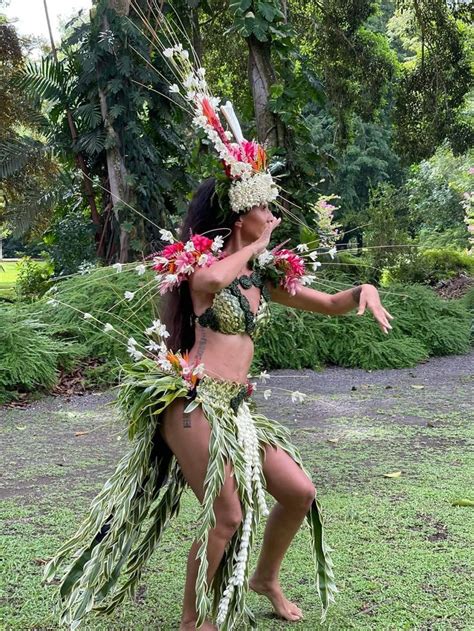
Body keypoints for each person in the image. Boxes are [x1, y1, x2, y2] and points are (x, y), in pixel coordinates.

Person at [43, 39, 393, 631]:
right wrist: (254, 244)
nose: (275, 215)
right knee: (226, 516)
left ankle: (264, 578)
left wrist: (366, 293)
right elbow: (209, 277)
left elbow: (332, 302)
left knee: (300, 492)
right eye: (266, 208)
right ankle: (194, 622)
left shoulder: (261, 275)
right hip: (192, 403)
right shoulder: (204, 271)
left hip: (237, 410)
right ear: (240, 214)